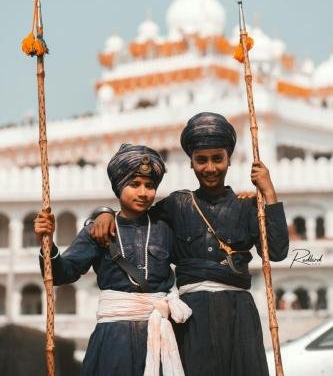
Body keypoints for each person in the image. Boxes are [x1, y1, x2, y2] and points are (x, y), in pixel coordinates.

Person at [90, 112, 289, 376]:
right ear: (191, 163)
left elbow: (277, 252)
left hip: (238, 314)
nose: (210, 168)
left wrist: (269, 193)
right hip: (191, 317)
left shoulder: (247, 206)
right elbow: (134, 214)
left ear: (229, 160)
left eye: (217, 158)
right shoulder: (176, 205)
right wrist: (103, 212)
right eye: (201, 160)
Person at [35, 144, 192, 376]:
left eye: (149, 186)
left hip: (160, 335)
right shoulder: (96, 231)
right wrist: (46, 242)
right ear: (119, 186)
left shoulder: (165, 228)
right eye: (134, 184)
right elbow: (61, 273)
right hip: (114, 338)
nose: (143, 192)